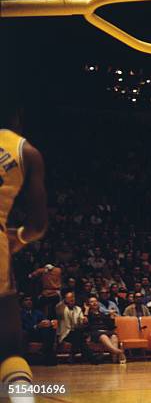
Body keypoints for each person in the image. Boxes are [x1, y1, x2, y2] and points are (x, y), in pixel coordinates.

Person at [1, 113, 48, 402]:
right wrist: (17, 239)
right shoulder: (25, 151)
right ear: (18, 118)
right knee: (8, 350)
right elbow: (37, 225)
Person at [84, 296, 126, 364]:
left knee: (114, 336)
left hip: (106, 331)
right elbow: (85, 323)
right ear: (88, 304)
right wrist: (86, 309)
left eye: (95, 301)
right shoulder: (88, 314)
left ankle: (114, 360)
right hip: (95, 333)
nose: (94, 303)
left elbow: (110, 326)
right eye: (92, 302)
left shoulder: (103, 314)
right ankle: (119, 352)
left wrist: (112, 318)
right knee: (103, 336)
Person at [20, 295, 57, 366]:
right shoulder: (19, 314)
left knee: (49, 329)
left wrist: (48, 323)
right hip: (28, 334)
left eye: (30, 300)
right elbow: (23, 327)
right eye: (26, 300)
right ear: (22, 303)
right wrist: (37, 326)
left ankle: (48, 356)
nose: (29, 302)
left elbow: (44, 321)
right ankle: (48, 357)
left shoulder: (37, 312)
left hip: (39, 334)